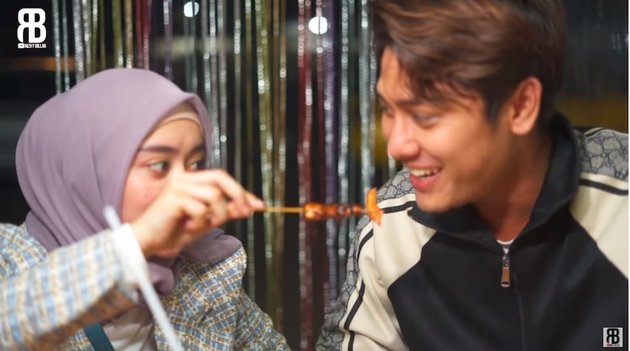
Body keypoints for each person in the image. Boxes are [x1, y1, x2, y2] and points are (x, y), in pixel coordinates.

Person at [317, 0, 628, 350]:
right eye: (389, 109)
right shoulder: (389, 230)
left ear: (521, 105)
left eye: (426, 115)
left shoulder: (622, 201)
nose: (396, 147)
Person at [0, 68, 290, 350]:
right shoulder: (8, 261)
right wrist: (135, 243)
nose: (186, 186)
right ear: (85, 174)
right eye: (160, 166)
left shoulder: (203, 271)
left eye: (195, 164)